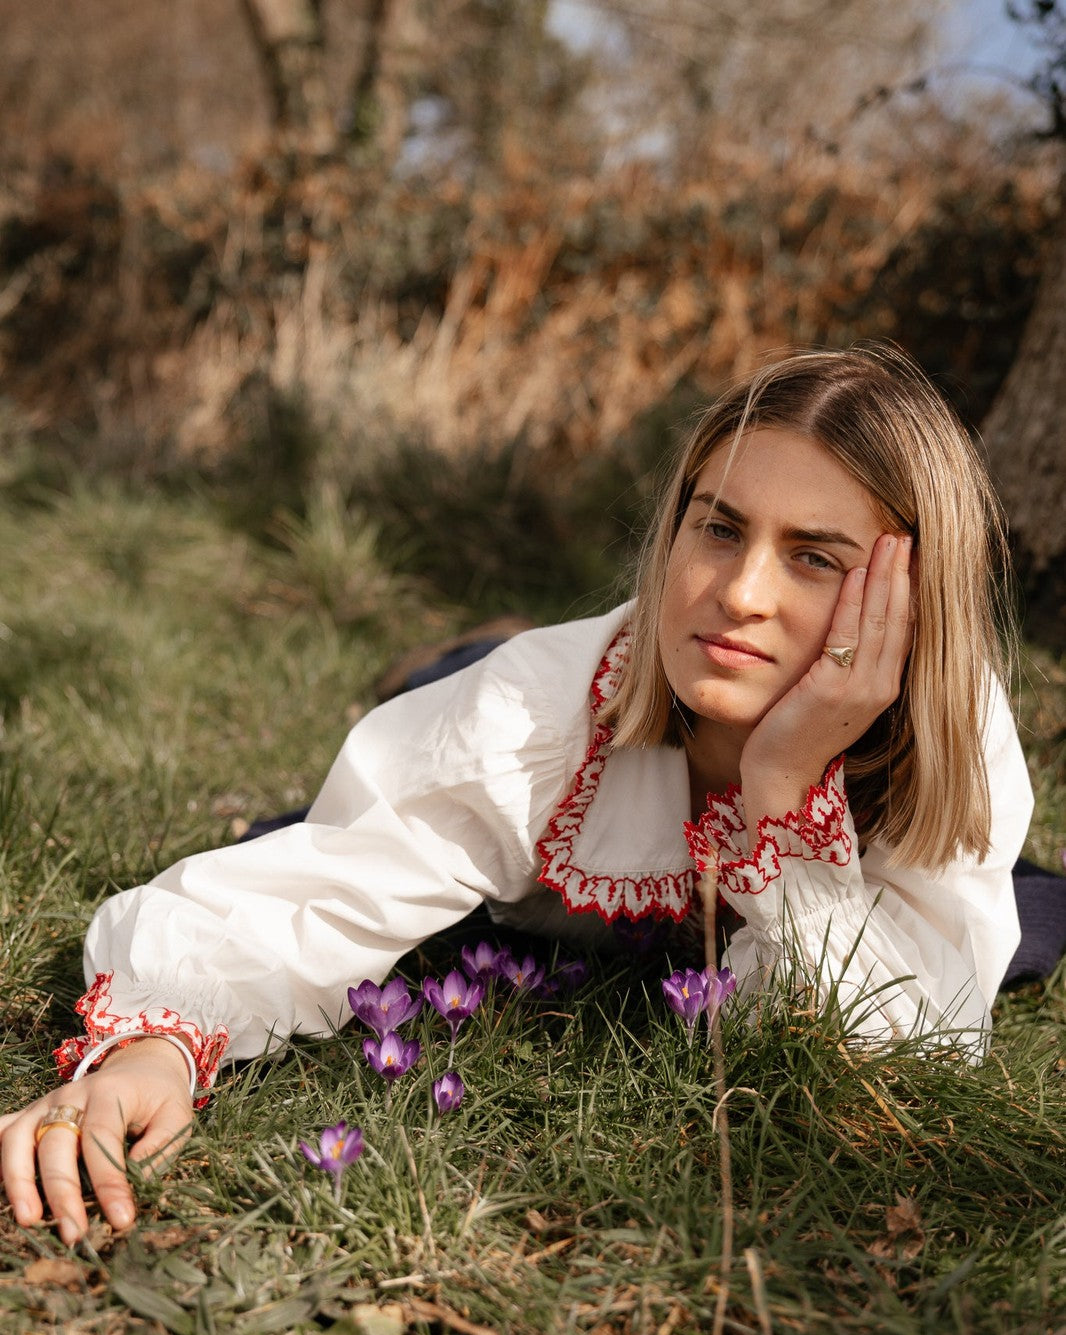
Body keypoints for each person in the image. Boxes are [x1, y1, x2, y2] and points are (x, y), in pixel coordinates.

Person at [0, 344, 1034, 1244]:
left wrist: (779, 790)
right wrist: (150, 1053)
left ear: (907, 600)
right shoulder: (535, 719)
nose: (740, 593)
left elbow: (903, 1051)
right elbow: (315, 893)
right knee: (404, 767)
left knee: (1036, 920)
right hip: (500, 736)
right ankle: (445, 653)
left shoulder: (954, 745)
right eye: (718, 529)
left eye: (814, 557)